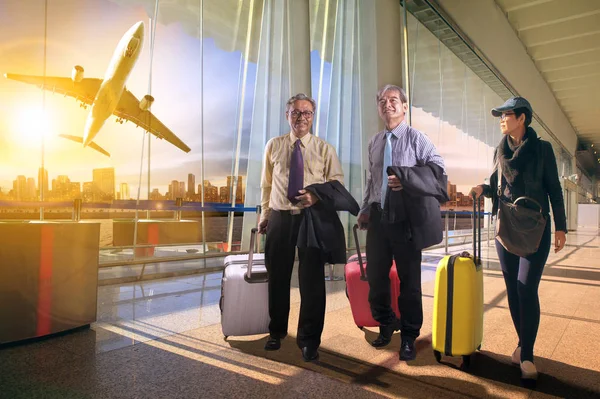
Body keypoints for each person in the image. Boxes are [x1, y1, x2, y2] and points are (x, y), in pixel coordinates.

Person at [470, 96, 567, 380]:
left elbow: (555, 190)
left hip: (536, 228)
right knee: (512, 289)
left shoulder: (542, 150)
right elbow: (494, 185)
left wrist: (560, 227)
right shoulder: (499, 151)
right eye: (499, 115)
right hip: (507, 227)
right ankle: (523, 345)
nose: (501, 119)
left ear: (522, 118)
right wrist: (481, 188)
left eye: (506, 114)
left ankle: (527, 356)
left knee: (526, 288)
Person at [358, 84, 446, 361]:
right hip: (378, 218)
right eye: (383, 101)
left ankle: (409, 334)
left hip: (406, 221)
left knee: (410, 282)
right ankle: (386, 324)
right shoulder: (374, 142)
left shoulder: (417, 139)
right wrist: (364, 209)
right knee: (376, 278)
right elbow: (371, 181)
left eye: (394, 100)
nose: (388, 104)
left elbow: (438, 171)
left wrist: (406, 178)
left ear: (405, 107)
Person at [258, 93, 344, 362]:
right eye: (296, 112)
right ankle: (276, 331)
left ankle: (309, 340)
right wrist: (265, 214)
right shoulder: (274, 145)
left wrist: (316, 197)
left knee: (312, 282)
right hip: (280, 219)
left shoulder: (324, 149)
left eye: (306, 113)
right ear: (287, 116)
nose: (301, 118)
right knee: (278, 279)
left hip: (310, 219)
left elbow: (337, 186)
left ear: (312, 117)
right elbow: (266, 185)